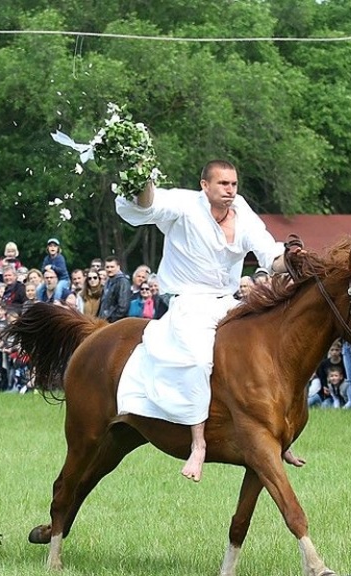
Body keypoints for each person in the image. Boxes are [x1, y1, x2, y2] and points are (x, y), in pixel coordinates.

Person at [114, 159, 300, 482]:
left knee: (266, 349)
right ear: (205, 186)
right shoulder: (185, 205)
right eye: (223, 184)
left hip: (230, 302)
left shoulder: (242, 211)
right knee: (200, 360)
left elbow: (271, 256)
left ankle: (277, 432)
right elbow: (146, 205)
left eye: (234, 184)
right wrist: (141, 176)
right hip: (189, 302)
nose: (230, 191)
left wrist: (295, 258)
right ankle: (198, 442)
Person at [98, 256, 131, 323]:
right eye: (107, 267)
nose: (109, 269)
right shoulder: (108, 282)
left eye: (112, 267)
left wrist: (110, 320)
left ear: (118, 267)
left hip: (115, 323)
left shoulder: (123, 282)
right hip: (104, 321)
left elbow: (123, 307)